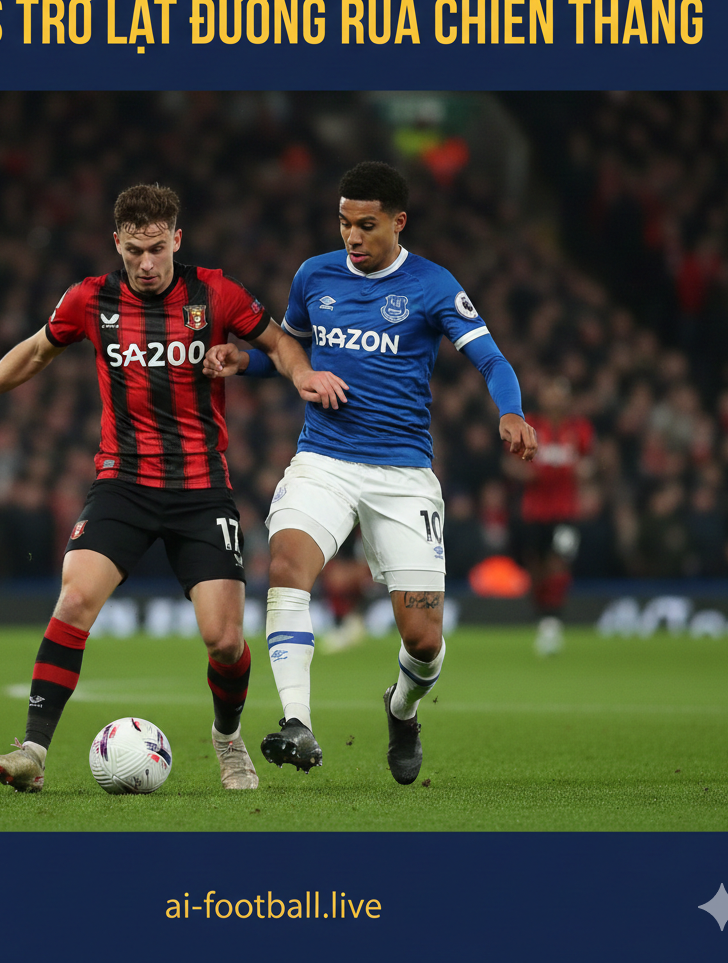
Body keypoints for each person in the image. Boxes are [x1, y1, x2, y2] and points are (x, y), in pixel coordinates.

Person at [0, 184, 345, 793]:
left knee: (224, 642)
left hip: (201, 488)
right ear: (117, 242)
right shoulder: (91, 299)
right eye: (134, 251)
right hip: (124, 483)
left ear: (176, 239)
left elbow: (277, 339)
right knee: (73, 601)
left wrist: (299, 373)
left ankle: (226, 739)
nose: (145, 264)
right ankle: (33, 751)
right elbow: (38, 351)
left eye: (156, 250)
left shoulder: (215, 293)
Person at [204, 161, 537, 784]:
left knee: (424, 641)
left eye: (365, 225)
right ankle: (297, 722)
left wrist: (512, 412)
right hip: (323, 459)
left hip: (402, 475)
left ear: (397, 222)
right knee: (285, 567)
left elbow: (492, 360)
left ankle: (401, 708)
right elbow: (291, 353)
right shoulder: (314, 274)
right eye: (343, 223)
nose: (351, 237)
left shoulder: (434, 285)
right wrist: (242, 359)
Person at [506, 375, 594, 649]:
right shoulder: (530, 424)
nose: (554, 399)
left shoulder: (579, 428)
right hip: (534, 511)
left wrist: (587, 473)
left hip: (566, 510)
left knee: (560, 561)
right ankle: (542, 616)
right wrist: (524, 472)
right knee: (536, 566)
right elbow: (509, 462)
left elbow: (591, 460)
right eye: (550, 393)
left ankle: (553, 620)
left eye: (559, 394)